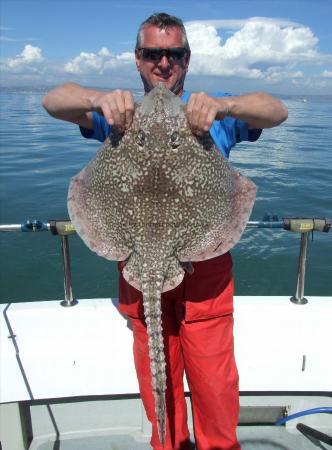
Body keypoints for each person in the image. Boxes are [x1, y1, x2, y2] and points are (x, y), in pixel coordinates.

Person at [43, 12, 288, 450]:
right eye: (152, 53)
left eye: (172, 53)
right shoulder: (116, 114)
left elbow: (277, 110)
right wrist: (99, 99)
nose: (162, 62)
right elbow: (53, 100)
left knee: (214, 382)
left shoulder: (212, 112)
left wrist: (225, 107)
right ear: (137, 59)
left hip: (205, 263)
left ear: (186, 60)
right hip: (137, 256)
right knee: (157, 375)